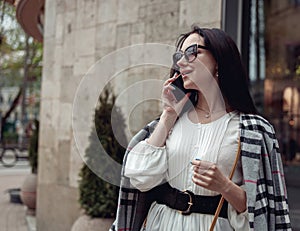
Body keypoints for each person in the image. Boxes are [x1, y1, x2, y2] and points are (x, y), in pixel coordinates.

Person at [110, 26, 291, 231]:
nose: (180, 62)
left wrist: (225, 186)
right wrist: (168, 116)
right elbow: (139, 178)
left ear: (218, 60)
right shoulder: (171, 121)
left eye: (192, 52)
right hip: (160, 224)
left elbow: (262, 211)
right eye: (179, 56)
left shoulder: (253, 130)